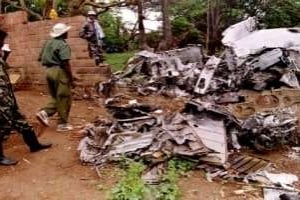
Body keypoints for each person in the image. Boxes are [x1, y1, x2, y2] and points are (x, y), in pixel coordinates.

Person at [0, 30, 52, 166]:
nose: (3, 43)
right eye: (2, 40)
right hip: (1, 102)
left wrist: (5, 56)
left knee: (22, 122)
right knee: (2, 128)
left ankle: (34, 145)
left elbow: (4, 70)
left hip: (7, 100)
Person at [36, 23, 75, 132]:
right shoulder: (63, 44)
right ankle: (61, 123)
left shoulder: (48, 43)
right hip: (59, 71)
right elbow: (65, 63)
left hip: (48, 71)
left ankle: (45, 113)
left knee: (55, 96)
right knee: (64, 97)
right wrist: (71, 78)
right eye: (66, 31)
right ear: (63, 33)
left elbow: (40, 58)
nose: (67, 33)